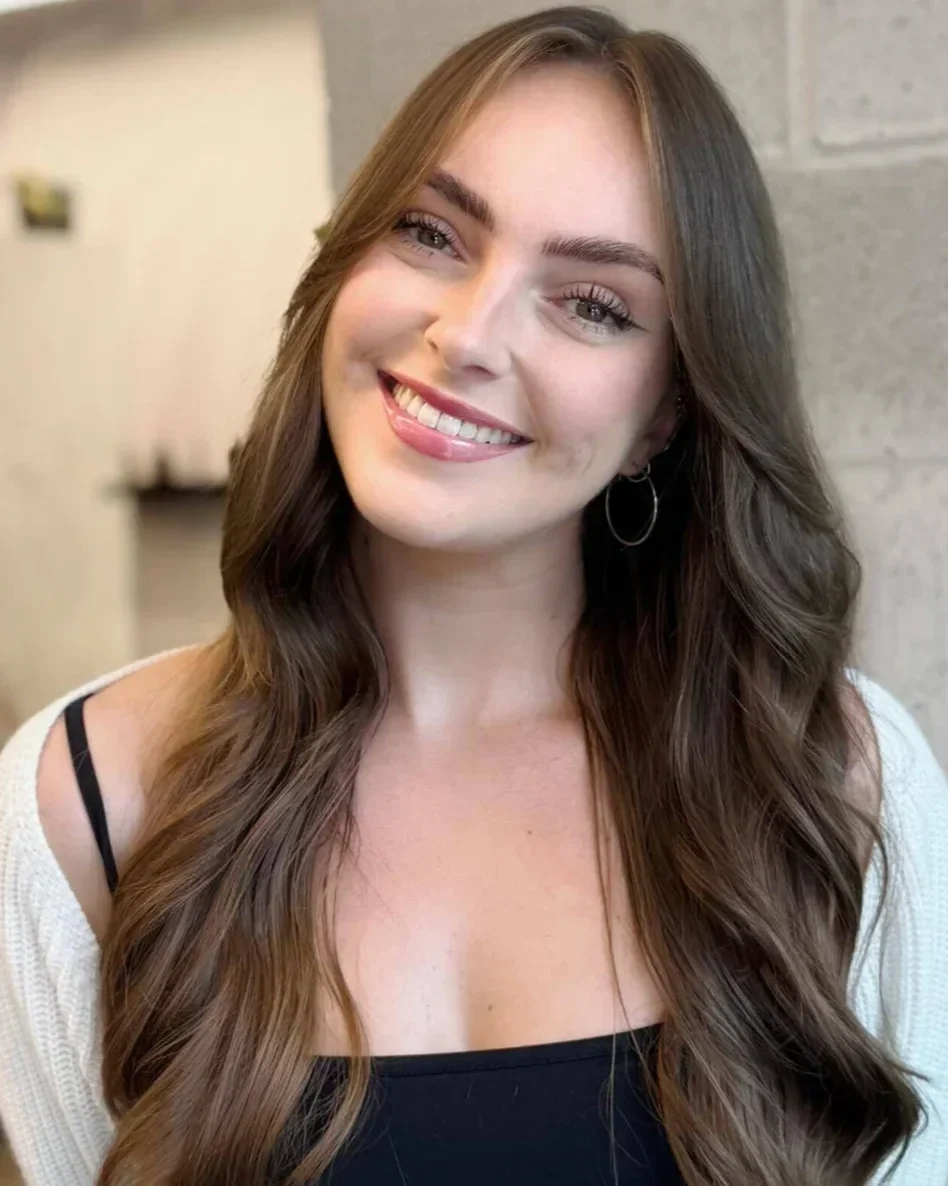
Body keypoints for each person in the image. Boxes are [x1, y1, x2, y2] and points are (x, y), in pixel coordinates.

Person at [1, 7, 946, 1185]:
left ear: (665, 414)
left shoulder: (836, 780)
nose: (466, 334)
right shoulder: (82, 800)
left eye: (592, 302)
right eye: (433, 233)